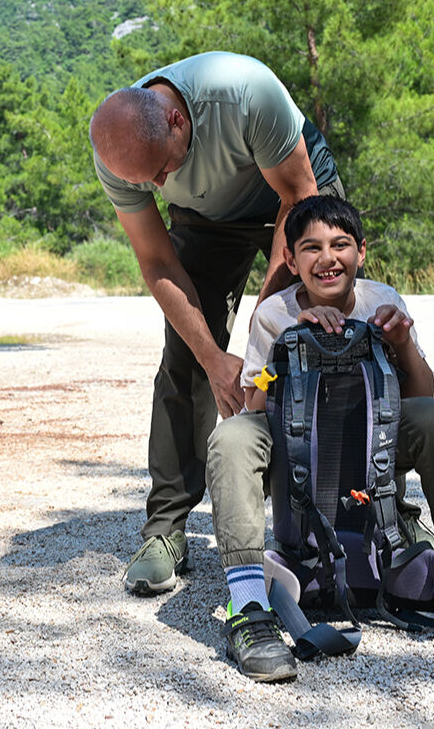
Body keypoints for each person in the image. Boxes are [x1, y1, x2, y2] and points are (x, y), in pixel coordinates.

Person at [206, 194, 434, 682]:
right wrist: (287, 348)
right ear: (290, 259)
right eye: (312, 248)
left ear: (361, 252)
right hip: (297, 449)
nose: (328, 259)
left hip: (369, 443)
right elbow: (255, 405)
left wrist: (401, 341)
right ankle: (248, 608)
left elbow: (421, 398)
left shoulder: (382, 300)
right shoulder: (273, 314)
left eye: (340, 245)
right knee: (232, 438)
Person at [88, 51, 344, 595]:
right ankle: (165, 532)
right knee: (185, 358)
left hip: (291, 189)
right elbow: (157, 262)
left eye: (162, 170)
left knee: (324, 340)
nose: (156, 185)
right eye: (145, 181)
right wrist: (213, 357)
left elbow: (299, 198)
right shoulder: (121, 154)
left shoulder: (244, 91)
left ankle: (365, 508)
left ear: (177, 120)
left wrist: (265, 328)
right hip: (208, 218)